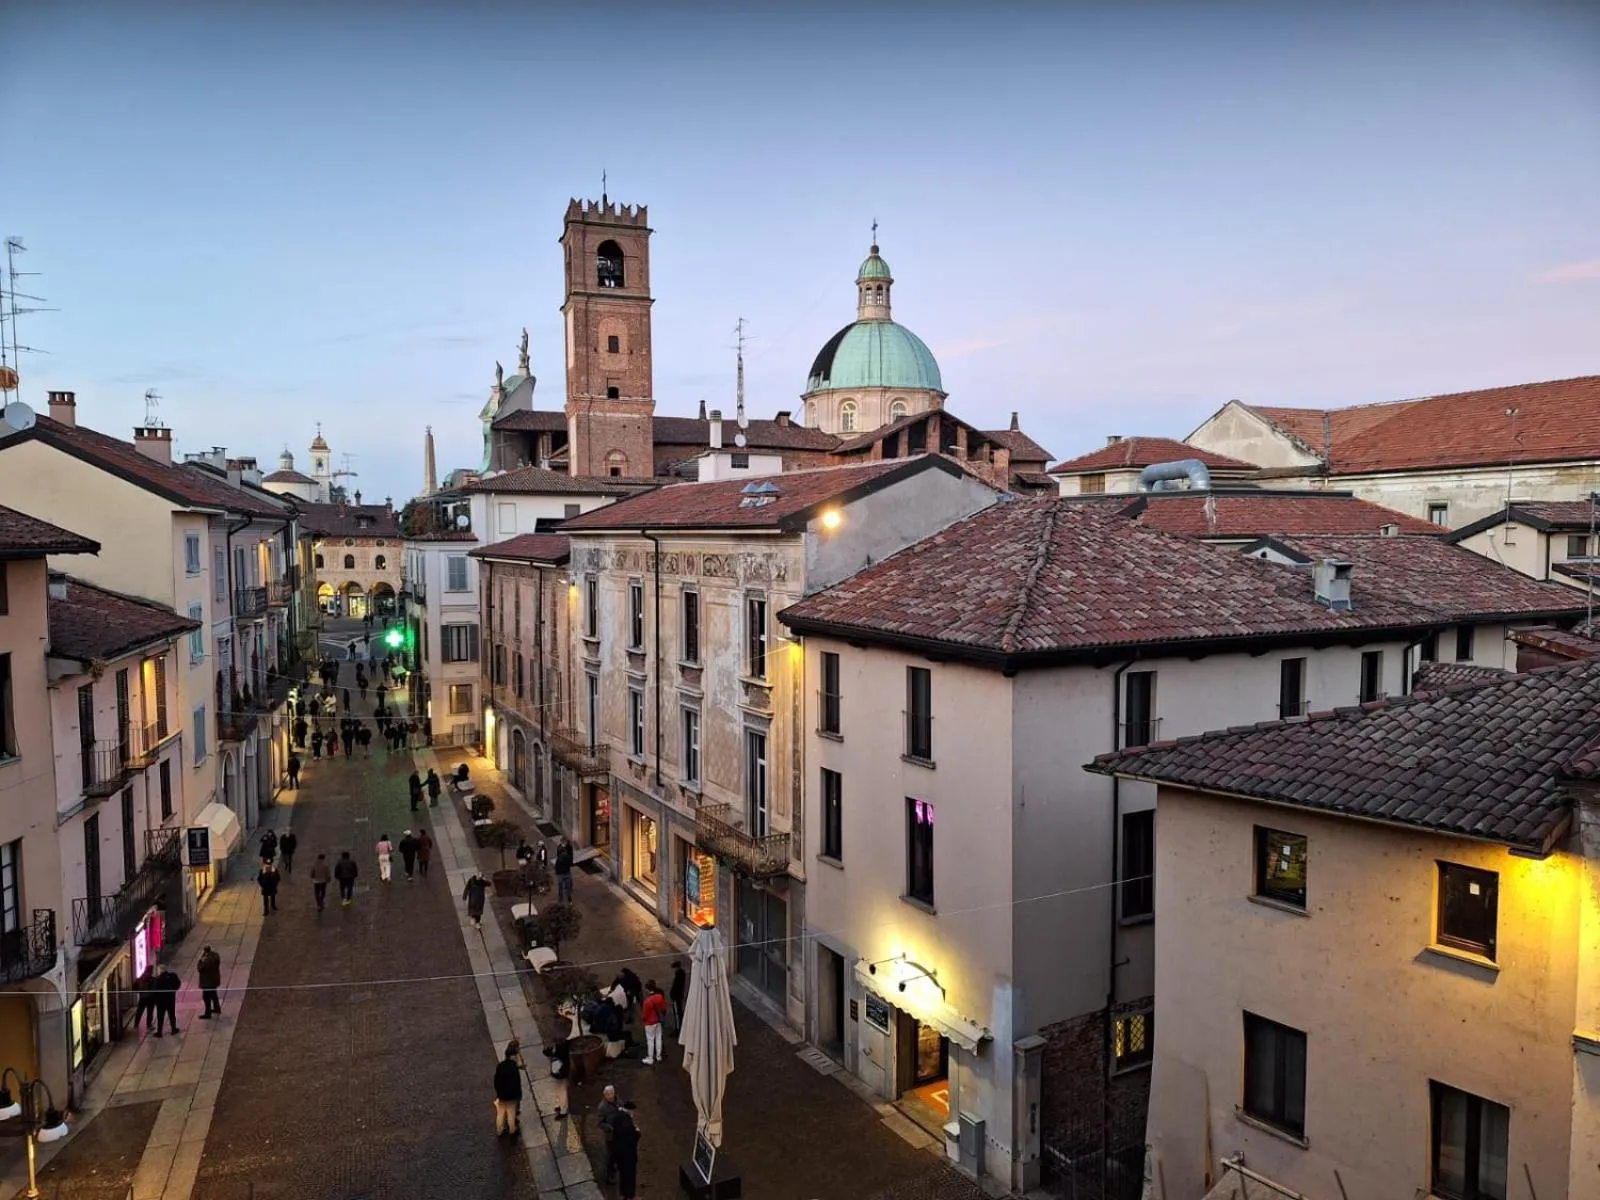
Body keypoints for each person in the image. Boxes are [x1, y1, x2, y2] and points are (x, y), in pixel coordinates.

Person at [493, 1040, 524, 1138]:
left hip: (502, 1095)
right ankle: (512, 1131)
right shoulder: (513, 1068)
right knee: (511, 1114)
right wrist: (518, 1095)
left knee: (500, 1113)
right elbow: (516, 1083)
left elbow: (496, 1081)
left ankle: (499, 1130)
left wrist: (498, 1092)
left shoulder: (500, 1066)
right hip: (511, 1096)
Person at [611, 1103, 641, 1200]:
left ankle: (623, 1194)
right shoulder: (628, 1125)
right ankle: (629, 1196)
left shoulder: (617, 1117)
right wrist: (637, 1132)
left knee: (623, 1177)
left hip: (619, 1155)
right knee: (630, 1177)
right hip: (628, 1157)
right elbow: (632, 1140)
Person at [595, 1085, 619, 1184]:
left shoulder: (618, 1101)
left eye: (611, 1094)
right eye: (607, 1094)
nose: (610, 1096)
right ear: (604, 1095)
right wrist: (609, 1128)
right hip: (611, 1136)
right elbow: (600, 1123)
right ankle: (610, 1175)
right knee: (611, 1155)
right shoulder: (602, 1107)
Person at [641, 980, 668, 1065]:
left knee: (650, 1040)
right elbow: (664, 1008)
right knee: (658, 1038)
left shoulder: (647, 1001)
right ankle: (658, 1056)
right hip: (658, 1021)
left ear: (647, 989)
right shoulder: (659, 997)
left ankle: (650, 1058)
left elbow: (644, 1015)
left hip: (649, 1023)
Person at [153, 965, 181, 1036]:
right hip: (170, 999)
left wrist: (155, 1001)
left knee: (160, 1016)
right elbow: (178, 984)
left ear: (159, 971)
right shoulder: (173, 976)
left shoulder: (157, 979)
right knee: (172, 1014)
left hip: (160, 1001)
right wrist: (173, 990)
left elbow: (154, 991)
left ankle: (159, 1032)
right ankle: (173, 1029)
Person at [197, 945, 223, 1018]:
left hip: (207, 982)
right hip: (214, 979)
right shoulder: (215, 955)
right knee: (214, 995)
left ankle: (207, 1013)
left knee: (206, 997)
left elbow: (200, 969)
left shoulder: (206, 961)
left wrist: (200, 961)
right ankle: (217, 1008)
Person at [669, 959, 687, 1038]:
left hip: (676, 997)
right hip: (679, 996)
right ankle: (680, 1027)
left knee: (677, 1013)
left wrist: (672, 994)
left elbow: (676, 986)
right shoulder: (682, 973)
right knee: (679, 1012)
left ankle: (678, 1029)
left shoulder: (678, 974)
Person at [133, 967, 155, 1032]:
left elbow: (134, 987)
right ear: (151, 971)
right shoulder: (152, 979)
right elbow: (155, 988)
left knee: (139, 1012)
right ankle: (149, 1025)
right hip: (150, 998)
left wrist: (140, 991)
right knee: (150, 1012)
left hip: (142, 997)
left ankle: (136, 1025)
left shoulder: (140, 978)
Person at [554, 838, 574, 903]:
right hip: (561, 872)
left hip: (565, 872)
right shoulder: (560, 850)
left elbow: (570, 858)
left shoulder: (568, 850)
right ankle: (562, 897)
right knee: (561, 886)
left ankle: (567, 897)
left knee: (567, 885)